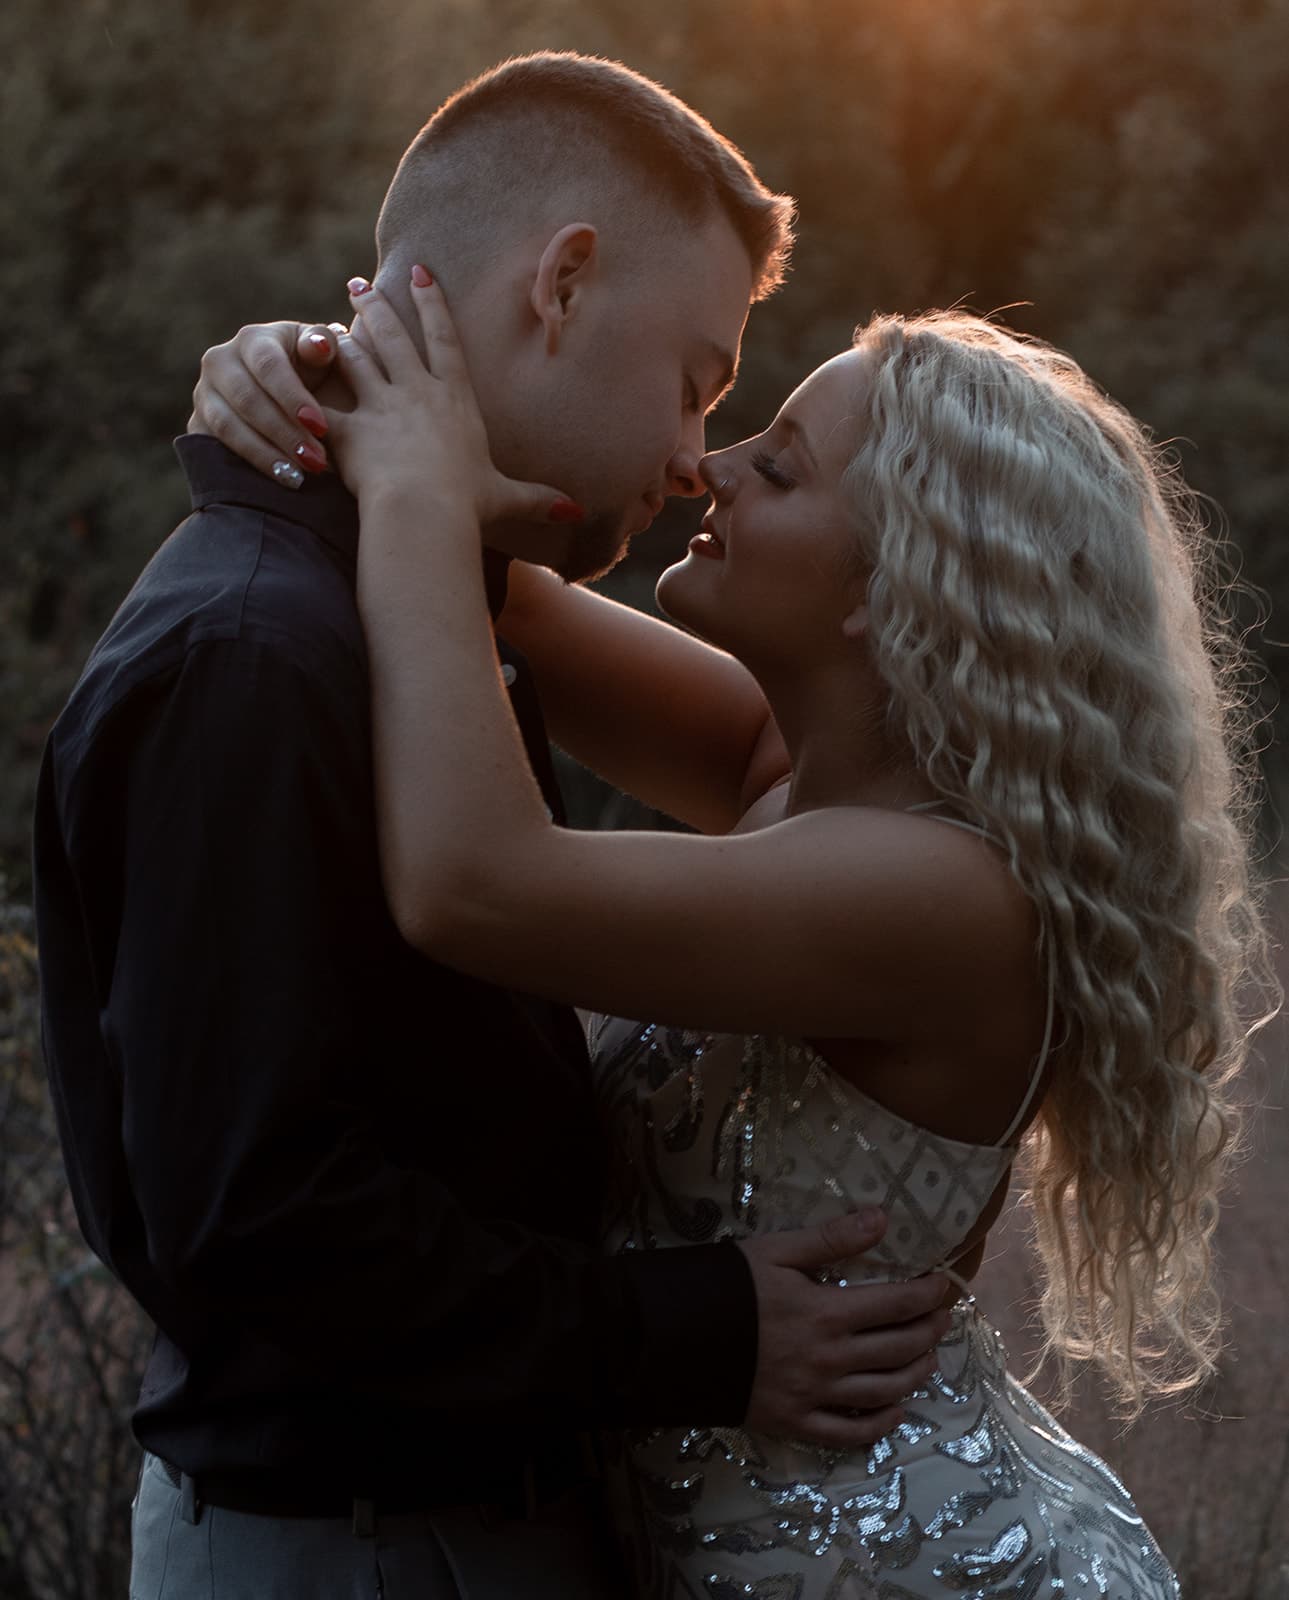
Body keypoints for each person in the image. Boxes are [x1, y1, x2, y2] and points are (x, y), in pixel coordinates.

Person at [32, 54, 954, 1600]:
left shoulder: (416, 606)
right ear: (565, 283)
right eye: (697, 381)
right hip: (367, 1551)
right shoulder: (256, 658)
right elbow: (259, 1221)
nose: (687, 458)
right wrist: (686, 1334)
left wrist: (321, 402)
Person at [205, 269, 1277, 1597]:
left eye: (775, 467)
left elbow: (471, 880)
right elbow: (498, 593)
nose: (709, 466)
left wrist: (419, 486)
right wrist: (299, 368)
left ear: (883, 588)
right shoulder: (795, 770)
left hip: (923, 1570)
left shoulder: (941, 897)